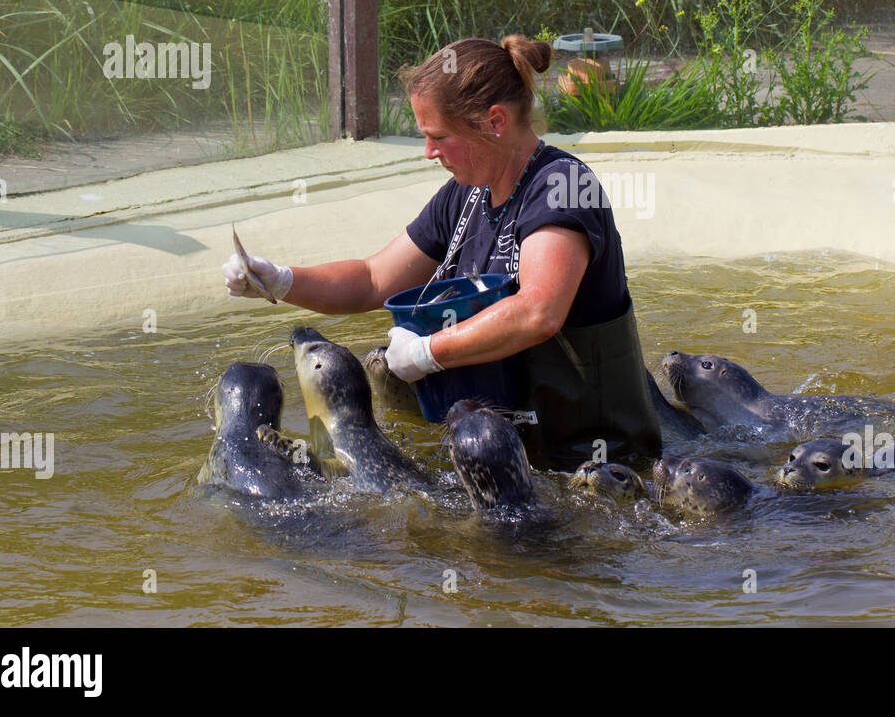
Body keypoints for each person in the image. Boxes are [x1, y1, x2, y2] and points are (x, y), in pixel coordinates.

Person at [222, 34, 661, 471]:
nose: (429, 152)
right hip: (501, 458)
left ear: (495, 121)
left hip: (592, 470)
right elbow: (373, 280)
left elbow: (538, 312)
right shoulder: (465, 196)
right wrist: (280, 279)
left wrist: (427, 352)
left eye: (439, 137)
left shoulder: (563, 188)